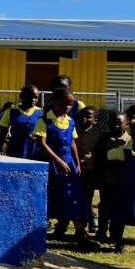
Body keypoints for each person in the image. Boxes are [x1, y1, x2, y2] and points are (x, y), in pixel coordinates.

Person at [34, 86, 99, 251]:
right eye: (64, 104)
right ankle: (37, 234)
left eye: (70, 104)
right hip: (52, 166)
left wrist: (76, 163)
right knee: (51, 198)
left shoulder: (70, 121)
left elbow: (72, 143)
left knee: (73, 198)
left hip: (68, 166)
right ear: (54, 102)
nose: (67, 107)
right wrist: (58, 161)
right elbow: (42, 145)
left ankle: (80, 234)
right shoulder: (44, 120)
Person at [104, 121, 135, 253]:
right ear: (131, 133)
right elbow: (109, 155)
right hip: (126, 189)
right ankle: (118, 242)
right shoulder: (123, 151)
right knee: (121, 215)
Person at [96, 112, 130, 241]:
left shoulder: (130, 141)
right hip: (106, 179)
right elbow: (99, 157)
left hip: (122, 180)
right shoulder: (104, 139)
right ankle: (101, 231)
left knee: (118, 207)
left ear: (126, 124)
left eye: (118, 123)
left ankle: (115, 234)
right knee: (104, 205)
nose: (115, 125)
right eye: (112, 122)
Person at [75, 106, 102, 234]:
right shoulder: (73, 130)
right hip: (74, 170)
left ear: (95, 120)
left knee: (88, 197)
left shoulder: (98, 135)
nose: (84, 118)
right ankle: (66, 223)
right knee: (73, 196)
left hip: (89, 171)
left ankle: (91, 218)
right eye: (82, 115)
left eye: (88, 117)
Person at [0, 85, 41, 158]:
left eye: (36, 97)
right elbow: (2, 133)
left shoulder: (40, 112)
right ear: (22, 96)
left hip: (33, 150)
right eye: (30, 96)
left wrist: (37, 136)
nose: (33, 100)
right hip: (15, 149)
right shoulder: (10, 111)